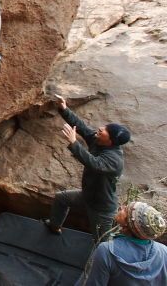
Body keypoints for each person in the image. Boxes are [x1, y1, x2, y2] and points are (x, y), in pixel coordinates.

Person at [44, 95, 130, 241]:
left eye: (105, 130)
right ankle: (54, 226)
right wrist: (64, 108)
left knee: (101, 242)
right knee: (61, 198)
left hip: (102, 207)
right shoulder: (99, 140)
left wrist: (74, 143)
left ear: (111, 141)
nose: (100, 128)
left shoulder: (114, 160)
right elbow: (82, 127)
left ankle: (102, 261)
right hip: (88, 196)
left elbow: (93, 163)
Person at [78, 201, 167, 285]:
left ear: (127, 227)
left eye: (125, 209)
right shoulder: (164, 251)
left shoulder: (106, 251)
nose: (122, 207)